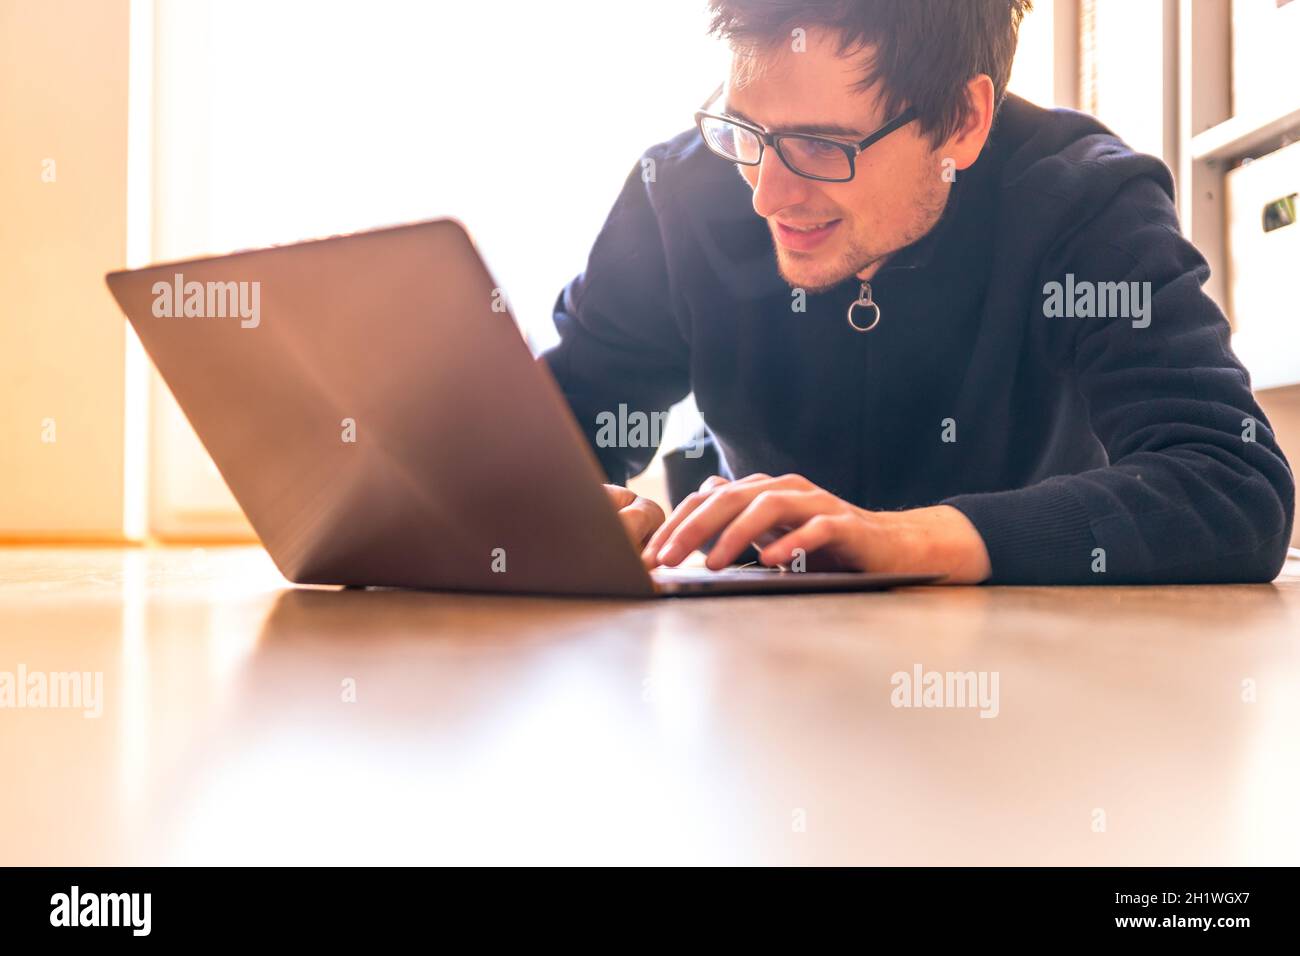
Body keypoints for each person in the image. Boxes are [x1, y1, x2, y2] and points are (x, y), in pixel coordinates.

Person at [542, 0, 1294, 584]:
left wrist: (908, 539)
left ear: (963, 122)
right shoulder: (677, 194)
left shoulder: (1084, 201)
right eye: (743, 129)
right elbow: (566, 428)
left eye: (820, 146)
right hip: (762, 681)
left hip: (1041, 683)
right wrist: (565, 503)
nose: (767, 195)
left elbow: (1233, 485)